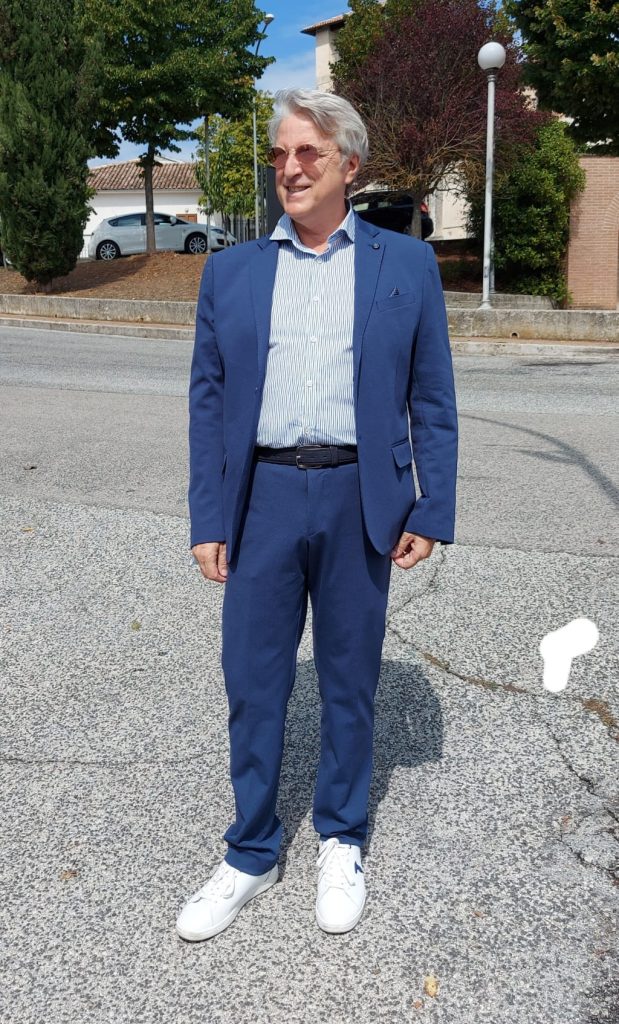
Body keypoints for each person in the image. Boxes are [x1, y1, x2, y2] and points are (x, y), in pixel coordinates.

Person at [176, 88, 458, 942]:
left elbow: (431, 397)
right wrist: (207, 517)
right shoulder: (230, 272)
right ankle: (251, 851)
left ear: (349, 165)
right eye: (280, 154)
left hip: (358, 495)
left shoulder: (403, 265)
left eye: (308, 152)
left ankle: (341, 837)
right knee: (252, 680)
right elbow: (207, 403)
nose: (290, 169)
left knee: (348, 679)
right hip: (259, 499)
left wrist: (431, 506)